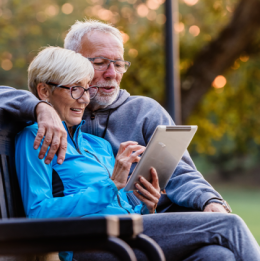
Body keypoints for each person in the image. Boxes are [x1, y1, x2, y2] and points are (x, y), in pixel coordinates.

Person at [15, 46, 260, 261]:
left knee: (217, 256)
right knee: (229, 225)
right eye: (74, 89)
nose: (84, 100)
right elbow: (39, 213)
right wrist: (111, 185)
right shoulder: (33, 138)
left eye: (86, 89)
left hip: (125, 234)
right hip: (90, 243)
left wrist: (146, 206)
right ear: (44, 91)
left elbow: (117, 204)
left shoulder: (95, 145)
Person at [0, 19, 229, 214]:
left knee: (219, 245)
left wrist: (209, 201)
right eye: (100, 63)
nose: (112, 74)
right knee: (227, 231)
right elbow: (42, 211)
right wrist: (41, 108)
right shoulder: (43, 127)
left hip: (149, 221)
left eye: (118, 64)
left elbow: (181, 172)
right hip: (103, 239)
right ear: (73, 62)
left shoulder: (139, 115)